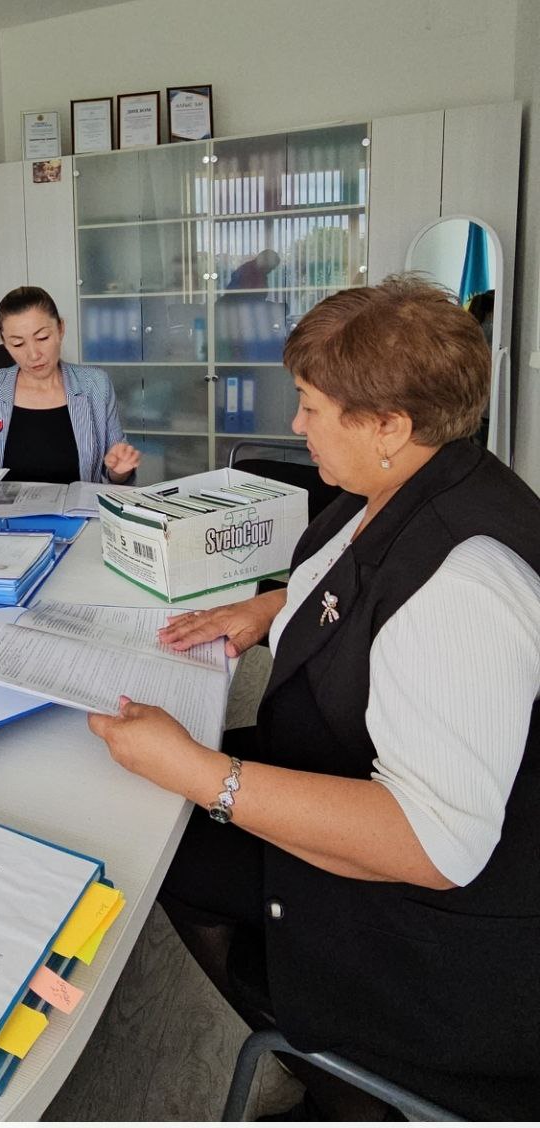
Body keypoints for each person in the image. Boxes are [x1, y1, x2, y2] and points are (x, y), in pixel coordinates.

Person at [88, 277, 540, 1120]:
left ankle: (340, 1070)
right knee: (154, 815)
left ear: (388, 425)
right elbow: (352, 576)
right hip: (342, 762)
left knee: (164, 834)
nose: (295, 425)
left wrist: (207, 776)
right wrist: (270, 609)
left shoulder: (464, 589)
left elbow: (435, 845)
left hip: (434, 921)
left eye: (311, 406)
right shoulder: (412, 481)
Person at [0, 286, 140, 484]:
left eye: (42, 338)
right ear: (4, 342)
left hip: (80, 505)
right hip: (1, 505)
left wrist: (119, 470)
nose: (33, 355)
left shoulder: (95, 385)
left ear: (60, 329)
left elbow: (116, 467)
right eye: (17, 343)